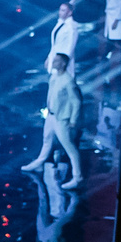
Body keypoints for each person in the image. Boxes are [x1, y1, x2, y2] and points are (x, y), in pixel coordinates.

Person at [23, 52, 85, 186]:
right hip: (51, 116)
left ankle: (77, 177)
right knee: (47, 140)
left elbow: (76, 101)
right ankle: (39, 162)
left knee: (69, 146)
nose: (54, 63)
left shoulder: (68, 80)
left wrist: (73, 119)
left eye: (56, 61)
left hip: (62, 118)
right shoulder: (54, 77)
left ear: (63, 63)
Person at [47, 0, 83, 79]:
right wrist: (49, 57)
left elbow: (70, 47)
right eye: (60, 10)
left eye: (63, 10)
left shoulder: (71, 27)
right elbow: (55, 44)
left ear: (70, 12)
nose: (60, 12)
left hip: (63, 64)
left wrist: (62, 63)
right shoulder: (60, 24)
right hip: (56, 60)